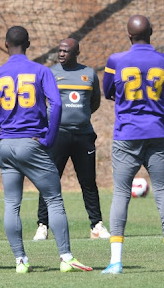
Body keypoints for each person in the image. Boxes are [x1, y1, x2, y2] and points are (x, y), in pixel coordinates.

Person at [0, 26, 92, 274]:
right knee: (54, 200)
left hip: (6, 145)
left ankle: (20, 261)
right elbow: (56, 103)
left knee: (12, 204)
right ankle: (66, 257)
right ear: (29, 43)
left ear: (6, 45)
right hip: (32, 143)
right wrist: (50, 137)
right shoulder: (41, 71)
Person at [101, 15, 164, 274]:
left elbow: (108, 92)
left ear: (128, 35)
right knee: (163, 191)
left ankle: (115, 262)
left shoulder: (116, 60)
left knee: (120, 194)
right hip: (157, 133)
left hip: (126, 134)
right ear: (152, 31)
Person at [32, 38, 109, 241]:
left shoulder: (89, 74)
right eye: (60, 51)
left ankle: (96, 225)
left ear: (76, 53)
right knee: (49, 180)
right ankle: (43, 225)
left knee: (88, 182)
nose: (61, 54)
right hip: (57, 135)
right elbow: (40, 102)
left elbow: (94, 103)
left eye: (66, 51)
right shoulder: (50, 73)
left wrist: (79, 118)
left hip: (83, 135)